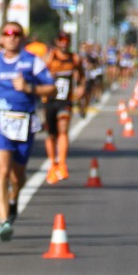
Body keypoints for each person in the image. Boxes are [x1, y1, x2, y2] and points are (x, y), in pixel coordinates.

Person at [0, 21, 54, 241]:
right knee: (2, 170)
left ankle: (13, 199)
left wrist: (29, 88)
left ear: (22, 38)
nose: (11, 37)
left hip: (24, 123)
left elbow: (51, 88)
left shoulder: (32, 62)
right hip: (0, 121)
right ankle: (4, 221)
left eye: (16, 33)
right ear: (1, 38)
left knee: (18, 175)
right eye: (7, 33)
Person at [43, 31, 85, 184]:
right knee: (51, 134)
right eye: (61, 39)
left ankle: (62, 163)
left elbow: (82, 75)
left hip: (65, 100)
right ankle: (53, 163)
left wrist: (81, 87)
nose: (64, 42)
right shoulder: (50, 57)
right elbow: (38, 74)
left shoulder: (74, 58)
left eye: (66, 39)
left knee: (63, 128)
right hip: (49, 100)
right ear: (57, 41)